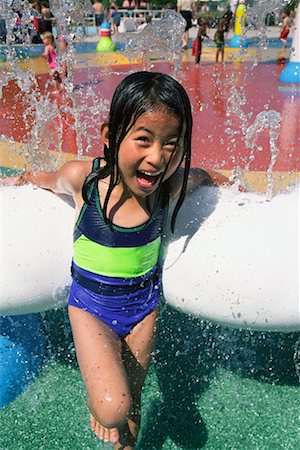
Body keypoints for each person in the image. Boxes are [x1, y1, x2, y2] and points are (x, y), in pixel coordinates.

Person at [1, 72, 230, 449]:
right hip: (90, 308)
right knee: (113, 407)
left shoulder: (167, 191)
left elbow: (204, 177)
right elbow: (44, 179)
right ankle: (104, 404)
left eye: (172, 143)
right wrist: (19, 180)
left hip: (144, 309)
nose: (158, 157)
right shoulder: (84, 182)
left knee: (133, 405)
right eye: (144, 139)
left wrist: (238, 186)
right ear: (110, 137)